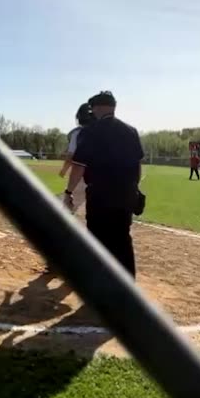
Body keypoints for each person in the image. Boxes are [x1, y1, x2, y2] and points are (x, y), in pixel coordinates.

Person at [65, 91, 145, 279]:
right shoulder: (131, 131)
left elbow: (79, 166)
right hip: (125, 194)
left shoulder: (89, 131)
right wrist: (134, 188)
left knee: (97, 239)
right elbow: (138, 165)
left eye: (93, 108)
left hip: (100, 194)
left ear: (99, 108)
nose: (92, 112)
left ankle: (99, 284)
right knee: (123, 239)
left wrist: (69, 192)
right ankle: (127, 286)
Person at [58, 102, 94, 214]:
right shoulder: (109, 130)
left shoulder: (78, 133)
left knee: (66, 210)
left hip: (86, 177)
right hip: (112, 180)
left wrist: (64, 170)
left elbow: (71, 156)